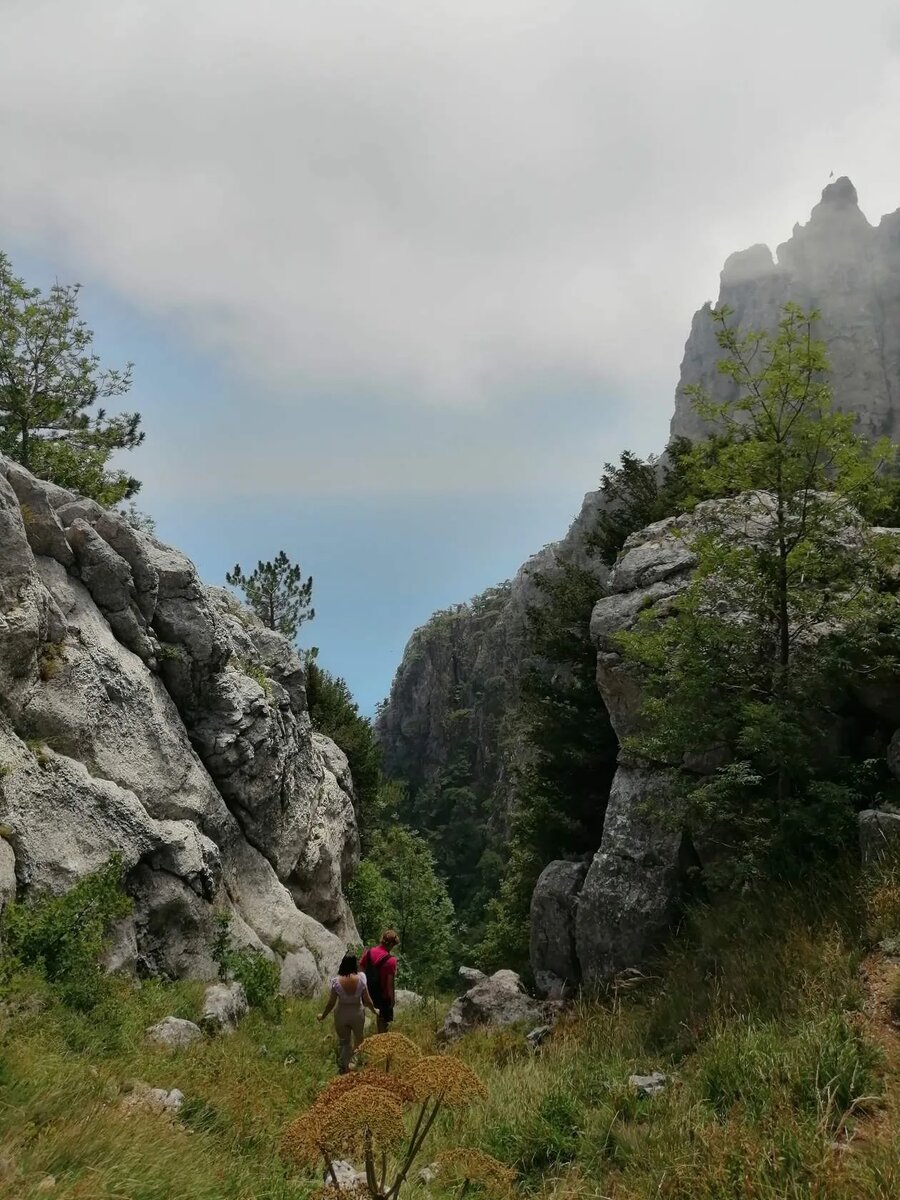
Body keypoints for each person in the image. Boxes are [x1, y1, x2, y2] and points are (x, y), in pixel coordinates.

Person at [317, 952, 377, 1074]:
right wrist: (374, 1011)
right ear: (355, 965)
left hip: (342, 1013)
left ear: (342, 964)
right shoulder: (361, 979)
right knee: (359, 1039)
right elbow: (368, 1000)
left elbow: (331, 1003)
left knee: (344, 1042)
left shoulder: (336, 981)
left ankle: (345, 1068)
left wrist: (323, 1015)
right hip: (357, 1013)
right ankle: (355, 1063)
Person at [359, 930, 399, 1034]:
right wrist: (392, 1000)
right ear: (391, 945)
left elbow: (361, 969)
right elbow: (390, 985)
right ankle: (381, 1041)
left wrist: (364, 988)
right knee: (384, 1023)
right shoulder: (391, 961)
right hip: (382, 997)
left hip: (367, 993)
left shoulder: (368, 952)